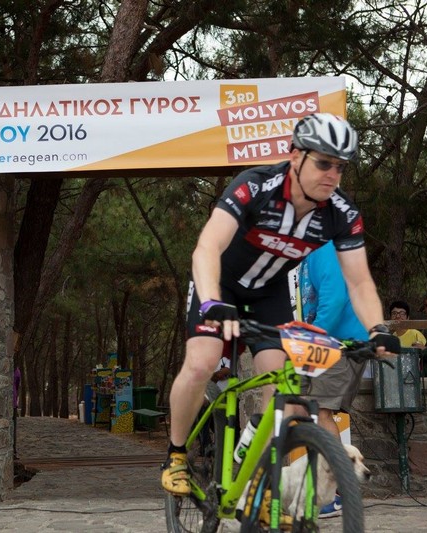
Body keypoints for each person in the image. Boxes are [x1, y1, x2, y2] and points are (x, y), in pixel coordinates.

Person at [161, 113, 399, 496]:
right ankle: (175, 454)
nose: (332, 174)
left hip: (268, 294)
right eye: (323, 162)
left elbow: (359, 281)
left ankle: (262, 477)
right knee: (203, 361)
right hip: (220, 285)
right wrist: (210, 303)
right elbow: (207, 247)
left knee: (282, 386)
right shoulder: (255, 186)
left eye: (340, 167)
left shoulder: (342, 213)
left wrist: (378, 329)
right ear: (295, 157)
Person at [297, 240, 369, 517]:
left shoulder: (322, 247)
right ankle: (319, 487)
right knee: (306, 409)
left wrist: (310, 339)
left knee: (322, 411)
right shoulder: (300, 255)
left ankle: (337, 493)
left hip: (340, 342)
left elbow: (335, 298)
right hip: (322, 342)